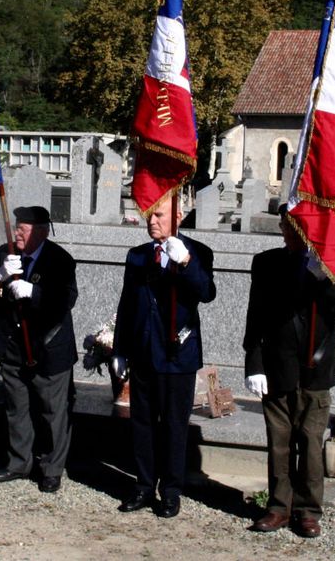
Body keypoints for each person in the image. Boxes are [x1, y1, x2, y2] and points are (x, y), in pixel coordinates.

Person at [242, 204, 335, 538]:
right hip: (277, 367)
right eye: (285, 226)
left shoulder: (329, 264)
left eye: (295, 227)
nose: (288, 233)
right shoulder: (266, 263)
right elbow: (256, 318)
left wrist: (325, 278)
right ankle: (278, 506)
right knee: (279, 441)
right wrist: (254, 364)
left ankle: (308, 510)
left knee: (310, 440)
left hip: (315, 371)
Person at [112, 198, 216, 518]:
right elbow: (127, 304)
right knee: (142, 424)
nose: (152, 221)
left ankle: (171, 490)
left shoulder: (198, 252)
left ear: (177, 217)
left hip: (177, 355)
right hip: (144, 352)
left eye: (159, 215)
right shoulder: (138, 256)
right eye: (149, 215)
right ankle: (144, 485)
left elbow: (206, 292)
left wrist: (185, 263)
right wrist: (120, 349)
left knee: (173, 425)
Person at [0, 206, 78, 494]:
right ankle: (18, 462)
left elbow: (65, 300)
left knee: (53, 411)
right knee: (17, 407)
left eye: (23, 229)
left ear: (41, 232)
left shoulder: (60, 260)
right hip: (14, 345)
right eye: (17, 227)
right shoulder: (6, 253)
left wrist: (33, 292)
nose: (18, 233)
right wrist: (0, 276)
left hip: (47, 347)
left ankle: (51, 468)